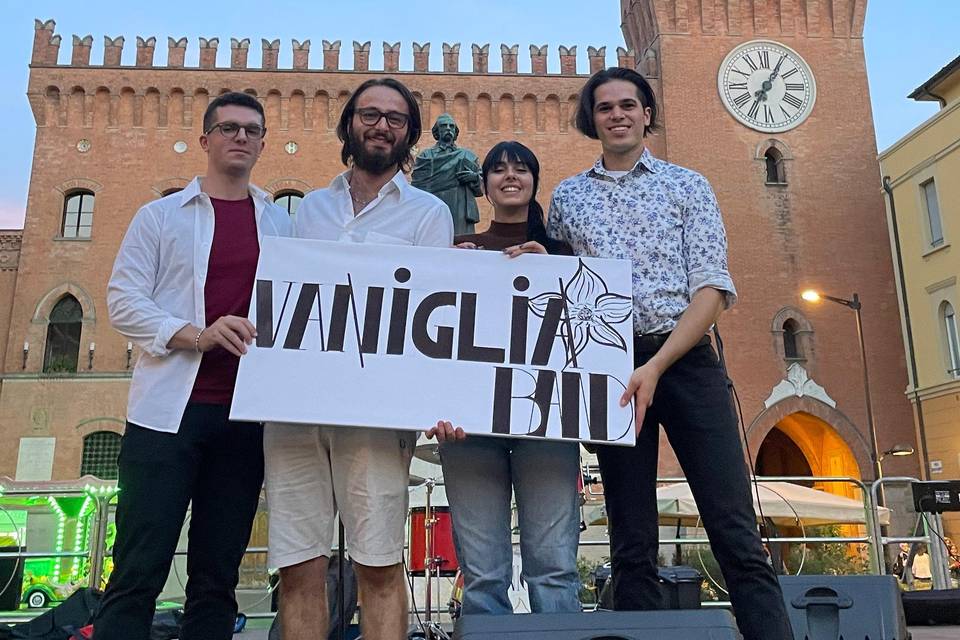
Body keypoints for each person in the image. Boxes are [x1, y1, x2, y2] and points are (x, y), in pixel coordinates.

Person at [547, 67, 794, 640]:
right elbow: (561, 286)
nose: (617, 114)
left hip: (684, 362)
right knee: (630, 539)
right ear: (593, 119)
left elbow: (711, 289)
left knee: (733, 527)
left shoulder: (687, 185)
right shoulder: (568, 197)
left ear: (647, 113)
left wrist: (655, 366)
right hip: (610, 368)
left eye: (628, 104)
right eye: (604, 107)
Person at [264, 77, 454, 640]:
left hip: (375, 416)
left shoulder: (427, 214)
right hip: (295, 411)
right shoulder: (306, 210)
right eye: (370, 114)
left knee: (378, 566)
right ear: (349, 124)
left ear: (409, 135)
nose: (381, 126)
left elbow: (439, 316)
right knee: (299, 569)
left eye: (395, 119)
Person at [97, 92, 291, 640]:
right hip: (165, 417)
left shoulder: (280, 225)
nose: (241, 138)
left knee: (216, 578)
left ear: (262, 144)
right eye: (229, 128)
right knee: (137, 570)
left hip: (245, 419)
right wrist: (197, 336)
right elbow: (124, 301)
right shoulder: (159, 217)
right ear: (205, 140)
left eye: (252, 130)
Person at [434, 141, 581, 616]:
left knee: (555, 567)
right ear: (485, 186)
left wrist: (556, 270)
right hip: (471, 430)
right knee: (481, 574)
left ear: (536, 180)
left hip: (548, 425)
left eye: (520, 168)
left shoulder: (566, 254)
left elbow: (588, 333)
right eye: (498, 170)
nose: (510, 176)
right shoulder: (458, 253)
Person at [411, 113, 483, 235]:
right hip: (433, 207)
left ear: (455, 132)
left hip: (460, 208)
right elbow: (417, 186)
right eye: (444, 126)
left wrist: (474, 177)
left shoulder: (468, 156)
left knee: (462, 246)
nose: (448, 128)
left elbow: (482, 187)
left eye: (452, 126)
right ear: (437, 131)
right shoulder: (426, 156)